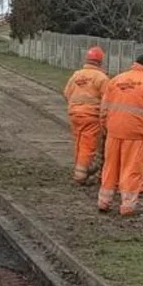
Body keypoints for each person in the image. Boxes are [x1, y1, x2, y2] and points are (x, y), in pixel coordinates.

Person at [97, 54, 143, 216]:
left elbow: (104, 109)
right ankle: (127, 205)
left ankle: (104, 201)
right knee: (131, 169)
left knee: (110, 167)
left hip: (114, 131)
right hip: (136, 134)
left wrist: (105, 128)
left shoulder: (116, 80)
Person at [63, 46, 109, 185]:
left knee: (78, 142)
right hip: (91, 116)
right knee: (88, 146)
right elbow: (108, 100)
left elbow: (66, 93)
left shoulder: (77, 75)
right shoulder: (101, 77)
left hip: (74, 114)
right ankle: (80, 176)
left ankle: (78, 169)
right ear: (100, 61)